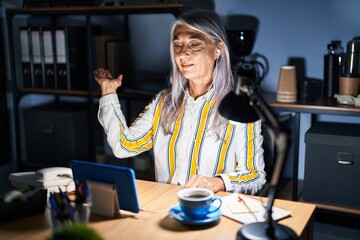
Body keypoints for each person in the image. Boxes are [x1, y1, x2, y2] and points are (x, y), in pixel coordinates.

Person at [94, 9, 266, 194]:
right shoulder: (163, 102)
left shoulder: (240, 107)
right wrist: (109, 92)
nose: (183, 54)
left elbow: (255, 175)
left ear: (218, 49)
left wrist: (218, 182)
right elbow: (123, 146)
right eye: (177, 45)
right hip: (165, 206)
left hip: (211, 210)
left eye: (194, 44)